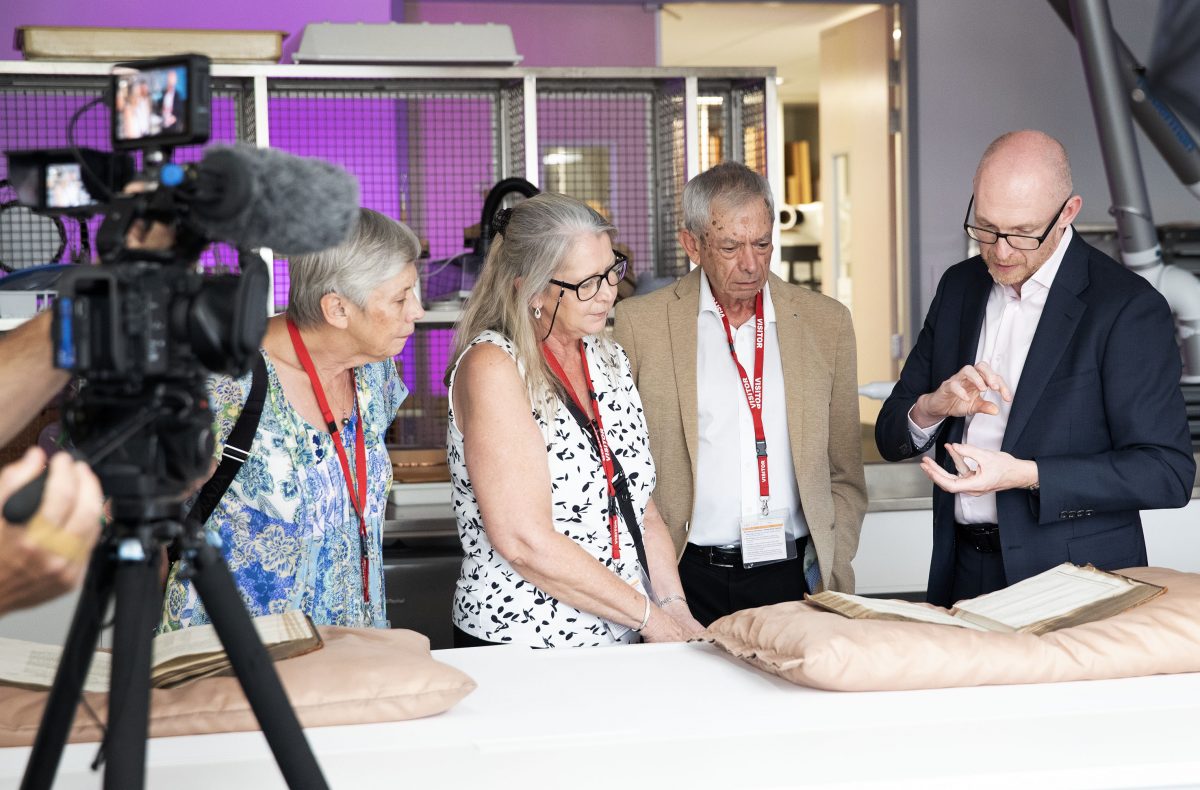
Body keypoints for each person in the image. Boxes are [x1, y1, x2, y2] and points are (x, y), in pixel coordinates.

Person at [875, 130, 1195, 607]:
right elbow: (890, 436)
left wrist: (1026, 474)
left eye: (1023, 233)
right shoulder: (959, 287)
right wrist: (932, 407)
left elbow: (1166, 473)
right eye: (985, 228)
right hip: (960, 570)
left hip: (1075, 582)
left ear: (1068, 212)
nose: (1000, 252)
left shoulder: (1126, 307)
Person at [612, 162, 867, 626]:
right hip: (685, 577)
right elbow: (623, 470)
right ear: (692, 244)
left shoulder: (826, 323)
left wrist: (832, 558)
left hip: (793, 578)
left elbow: (845, 472)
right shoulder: (641, 325)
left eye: (763, 243)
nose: (751, 264)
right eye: (730, 246)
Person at [447, 193, 704, 647]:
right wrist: (651, 619)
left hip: (624, 631)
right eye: (587, 283)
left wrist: (675, 611)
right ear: (531, 289)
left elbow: (641, 508)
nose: (608, 292)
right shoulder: (494, 367)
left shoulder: (609, 358)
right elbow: (525, 540)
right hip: (525, 644)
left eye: (611, 271)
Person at [160, 208, 424, 630]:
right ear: (337, 309)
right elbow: (134, 515)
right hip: (234, 661)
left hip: (349, 649)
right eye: (400, 298)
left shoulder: (376, 372)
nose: (418, 311)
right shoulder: (227, 379)